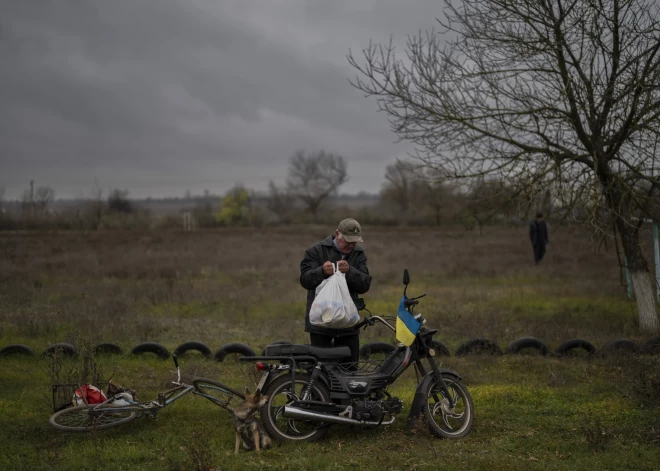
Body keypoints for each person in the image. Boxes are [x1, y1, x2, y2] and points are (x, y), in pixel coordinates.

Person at [300, 218, 372, 363]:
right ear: (337, 234)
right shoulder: (315, 251)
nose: (351, 245)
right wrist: (322, 271)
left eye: (354, 242)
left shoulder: (359, 254)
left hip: (348, 324)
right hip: (321, 324)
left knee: (349, 368)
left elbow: (364, 285)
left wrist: (350, 271)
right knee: (321, 369)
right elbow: (305, 280)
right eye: (347, 241)